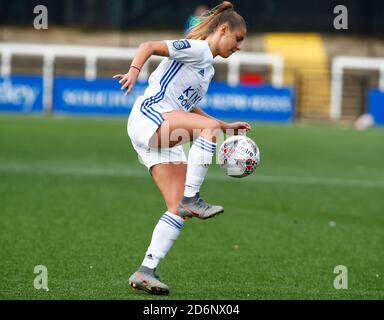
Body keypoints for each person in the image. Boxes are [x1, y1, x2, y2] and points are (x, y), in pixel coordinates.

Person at [113, 1, 250, 295]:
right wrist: (134, 72)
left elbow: (188, 107)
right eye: (237, 39)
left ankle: (145, 271)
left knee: (175, 210)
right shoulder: (198, 48)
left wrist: (223, 126)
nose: (238, 47)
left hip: (164, 132)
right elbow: (147, 45)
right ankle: (193, 198)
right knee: (205, 136)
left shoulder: (207, 69)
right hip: (149, 119)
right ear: (223, 29)